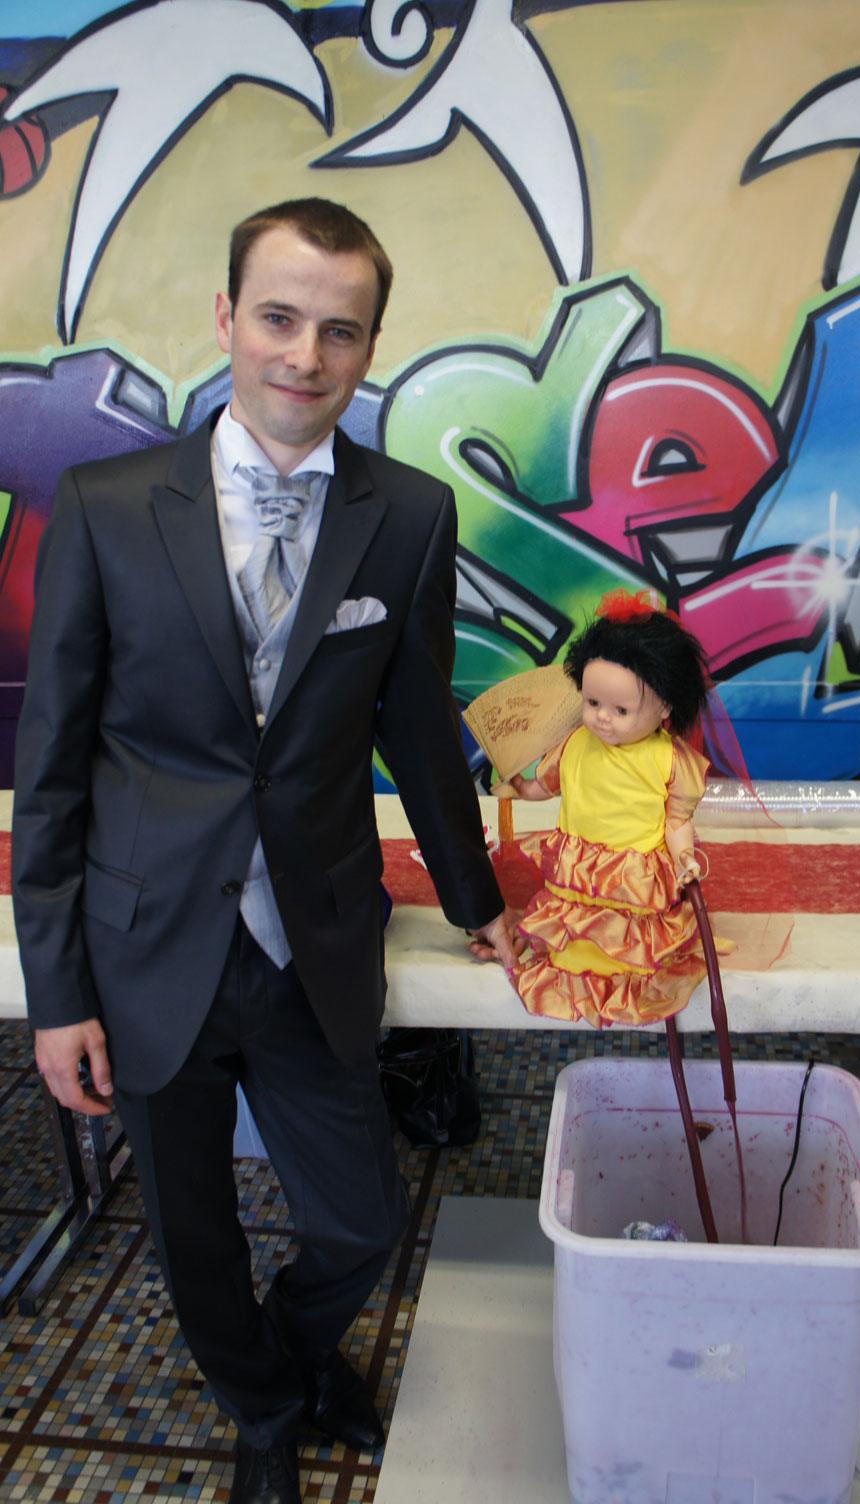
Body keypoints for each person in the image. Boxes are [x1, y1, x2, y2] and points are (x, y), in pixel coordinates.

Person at [11, 197, 520, 1504]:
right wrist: (56, 993)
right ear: (227, 317)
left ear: (370, 347)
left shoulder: (409, 514)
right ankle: (264, 1412)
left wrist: (478, 900)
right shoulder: (108, 505)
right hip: (145, 944)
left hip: (313, 940)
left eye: (339, 330)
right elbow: (52, 768)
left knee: (361, 1218)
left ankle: (287, 1357)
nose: (304, 355)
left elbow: (418, 729)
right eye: (279, 318)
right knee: (193, 1238)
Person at [508, 589, 732, 1026]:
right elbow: (545, 786)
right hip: (578, 880)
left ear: (665, 706)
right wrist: (520, 787)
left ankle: (627, 975)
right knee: (576, 941)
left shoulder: (668, 758)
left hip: (634, 886)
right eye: (592, 703)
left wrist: (685, 858)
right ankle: (579, 965)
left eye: (621, 709)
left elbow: (676, 821)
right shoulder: (574, 743)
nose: (602, 717)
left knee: (633, 950)